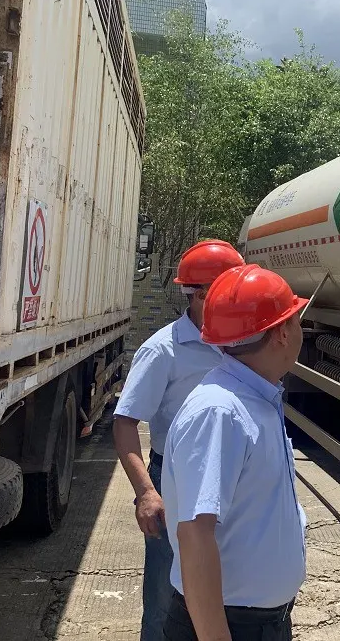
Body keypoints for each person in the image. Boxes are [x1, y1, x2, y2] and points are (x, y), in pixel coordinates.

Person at [160, 263, 309, 641]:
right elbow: (195, 533)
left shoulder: (255, 398)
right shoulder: (220, 412)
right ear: (281, 333)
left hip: (260, 623)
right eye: (296, 320)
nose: (300, 330)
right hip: (228, 626)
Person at [112, 239, 245, 641]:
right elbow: (124, 423)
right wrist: (146, 493)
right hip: (176, 483)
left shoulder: (243, 342)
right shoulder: (164, 350)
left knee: (226, 588)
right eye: (230, 292)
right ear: (200, 294)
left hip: (232, 481)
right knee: (166, 594)